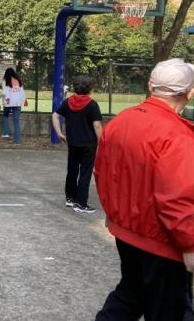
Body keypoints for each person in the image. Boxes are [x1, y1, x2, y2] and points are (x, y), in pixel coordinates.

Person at [95, 59, 194, 320]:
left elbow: (102, 171)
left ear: (151, 85)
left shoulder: (120, 121)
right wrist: (190, 245)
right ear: (189, 93)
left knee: (131, 293)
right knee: (168, 308)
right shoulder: (178, 135)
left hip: (126, 229)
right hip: (161, 240)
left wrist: (113, 213)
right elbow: (178, 198)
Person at [51, 75, 103, 214]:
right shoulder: (92, 105)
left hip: (72, 142)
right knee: (85, 173)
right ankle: (81, 203)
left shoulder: (68, 102)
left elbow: (55, 115)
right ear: (90, 89)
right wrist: (102, 142)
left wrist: (59, 133)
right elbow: (97, 125)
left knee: (72, 170)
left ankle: (70, 198)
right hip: (88, 144)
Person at [0, 68, 27, 144]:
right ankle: (17, 141)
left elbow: (4, 93)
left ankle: (6, 133)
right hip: (17, 103)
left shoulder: (5, 81)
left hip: (8, 103)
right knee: (16, 122)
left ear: (6, 74)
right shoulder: (19, 81)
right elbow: (22, 92)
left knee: (5, 116)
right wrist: (24, 100)